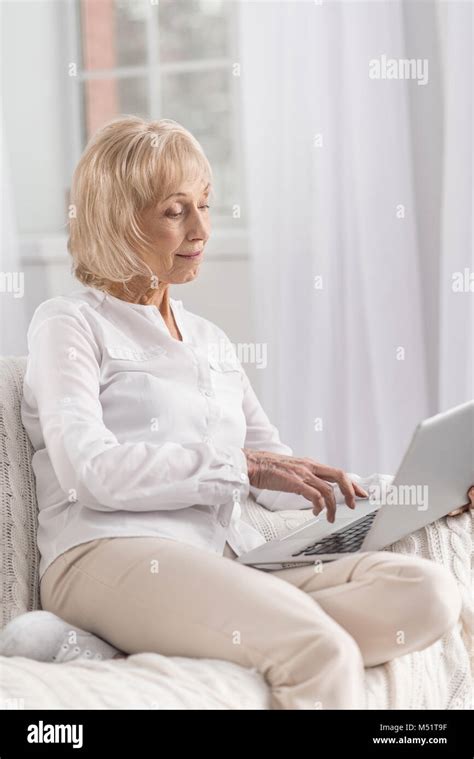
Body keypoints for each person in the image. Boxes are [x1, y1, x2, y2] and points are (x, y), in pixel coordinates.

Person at [1, 117, 471, 710]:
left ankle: (141, 646)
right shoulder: (69, 322)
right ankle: (256, 639)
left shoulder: (211, 340)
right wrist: (241, 466)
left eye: (204, 205)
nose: (201, 229)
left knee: (426, 594)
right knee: (319, 649)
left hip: (222, 564)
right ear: (118, 219)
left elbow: (279, 477)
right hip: (106, 553)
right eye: (175, 211)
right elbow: (88, 471)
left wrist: (414, 493)